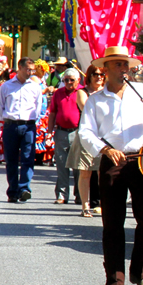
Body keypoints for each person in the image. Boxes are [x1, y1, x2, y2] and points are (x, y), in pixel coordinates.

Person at [79, 45, 143, 285]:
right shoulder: (96, 100)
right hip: (113, 160)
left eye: (125, 64)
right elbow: (85, 132)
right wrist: (105, 150)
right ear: (104, 69)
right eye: (118, 64)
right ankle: (114, 279)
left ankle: (140, 275)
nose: (123, 69)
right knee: (112, 221)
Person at [0, 57, 43, 203]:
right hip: (11, 125)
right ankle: (13, 191)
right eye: (28, 69)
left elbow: (38, 106)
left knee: (28, 158)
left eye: (32, 70)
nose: (30, 72)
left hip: (28, 126)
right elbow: (0, 108)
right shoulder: (7, 86)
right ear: (19, 68)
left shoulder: (35, 87)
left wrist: (32, 121)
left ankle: (24, 189)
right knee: (11, 160)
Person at [67, 65, 105, 217]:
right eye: (95, 74)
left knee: (105, 173)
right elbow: (86, 108)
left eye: (102, 74)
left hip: (104, 136)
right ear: (89, 76)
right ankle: (85, 206)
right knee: (85, 173)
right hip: (87, 135)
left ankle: (103, 203)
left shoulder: (107, 92)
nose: (99, 77)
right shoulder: (82, 92)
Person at [48, 68, 82, 203]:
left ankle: (80, 194)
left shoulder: (82, 92)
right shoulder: (58, 93)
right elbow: (52, 113)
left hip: (77, 132)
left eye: (71, 80)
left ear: (78, 80)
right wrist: (49, 132)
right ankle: (62, 195)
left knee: (79, 166)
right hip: (61, 132)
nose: (68, 82)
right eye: (65, 80)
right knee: (62, 165)